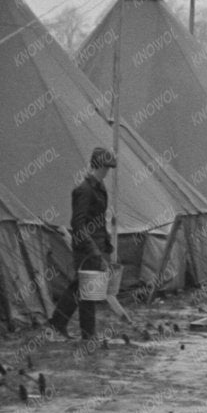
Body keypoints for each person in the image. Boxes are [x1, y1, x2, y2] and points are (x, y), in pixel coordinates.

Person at [51, 146, 117, 342]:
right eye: (106, 167)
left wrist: (105, 243)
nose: (108, 171)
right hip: (84, 248)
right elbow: (78, 224)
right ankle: (88, 334)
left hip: (95, 247)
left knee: (79, 288)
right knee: (87, 291)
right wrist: (93, 249)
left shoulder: (100, 188)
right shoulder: (84, 190)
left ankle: (57, 325)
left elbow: (99, 219)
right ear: (98, 166)